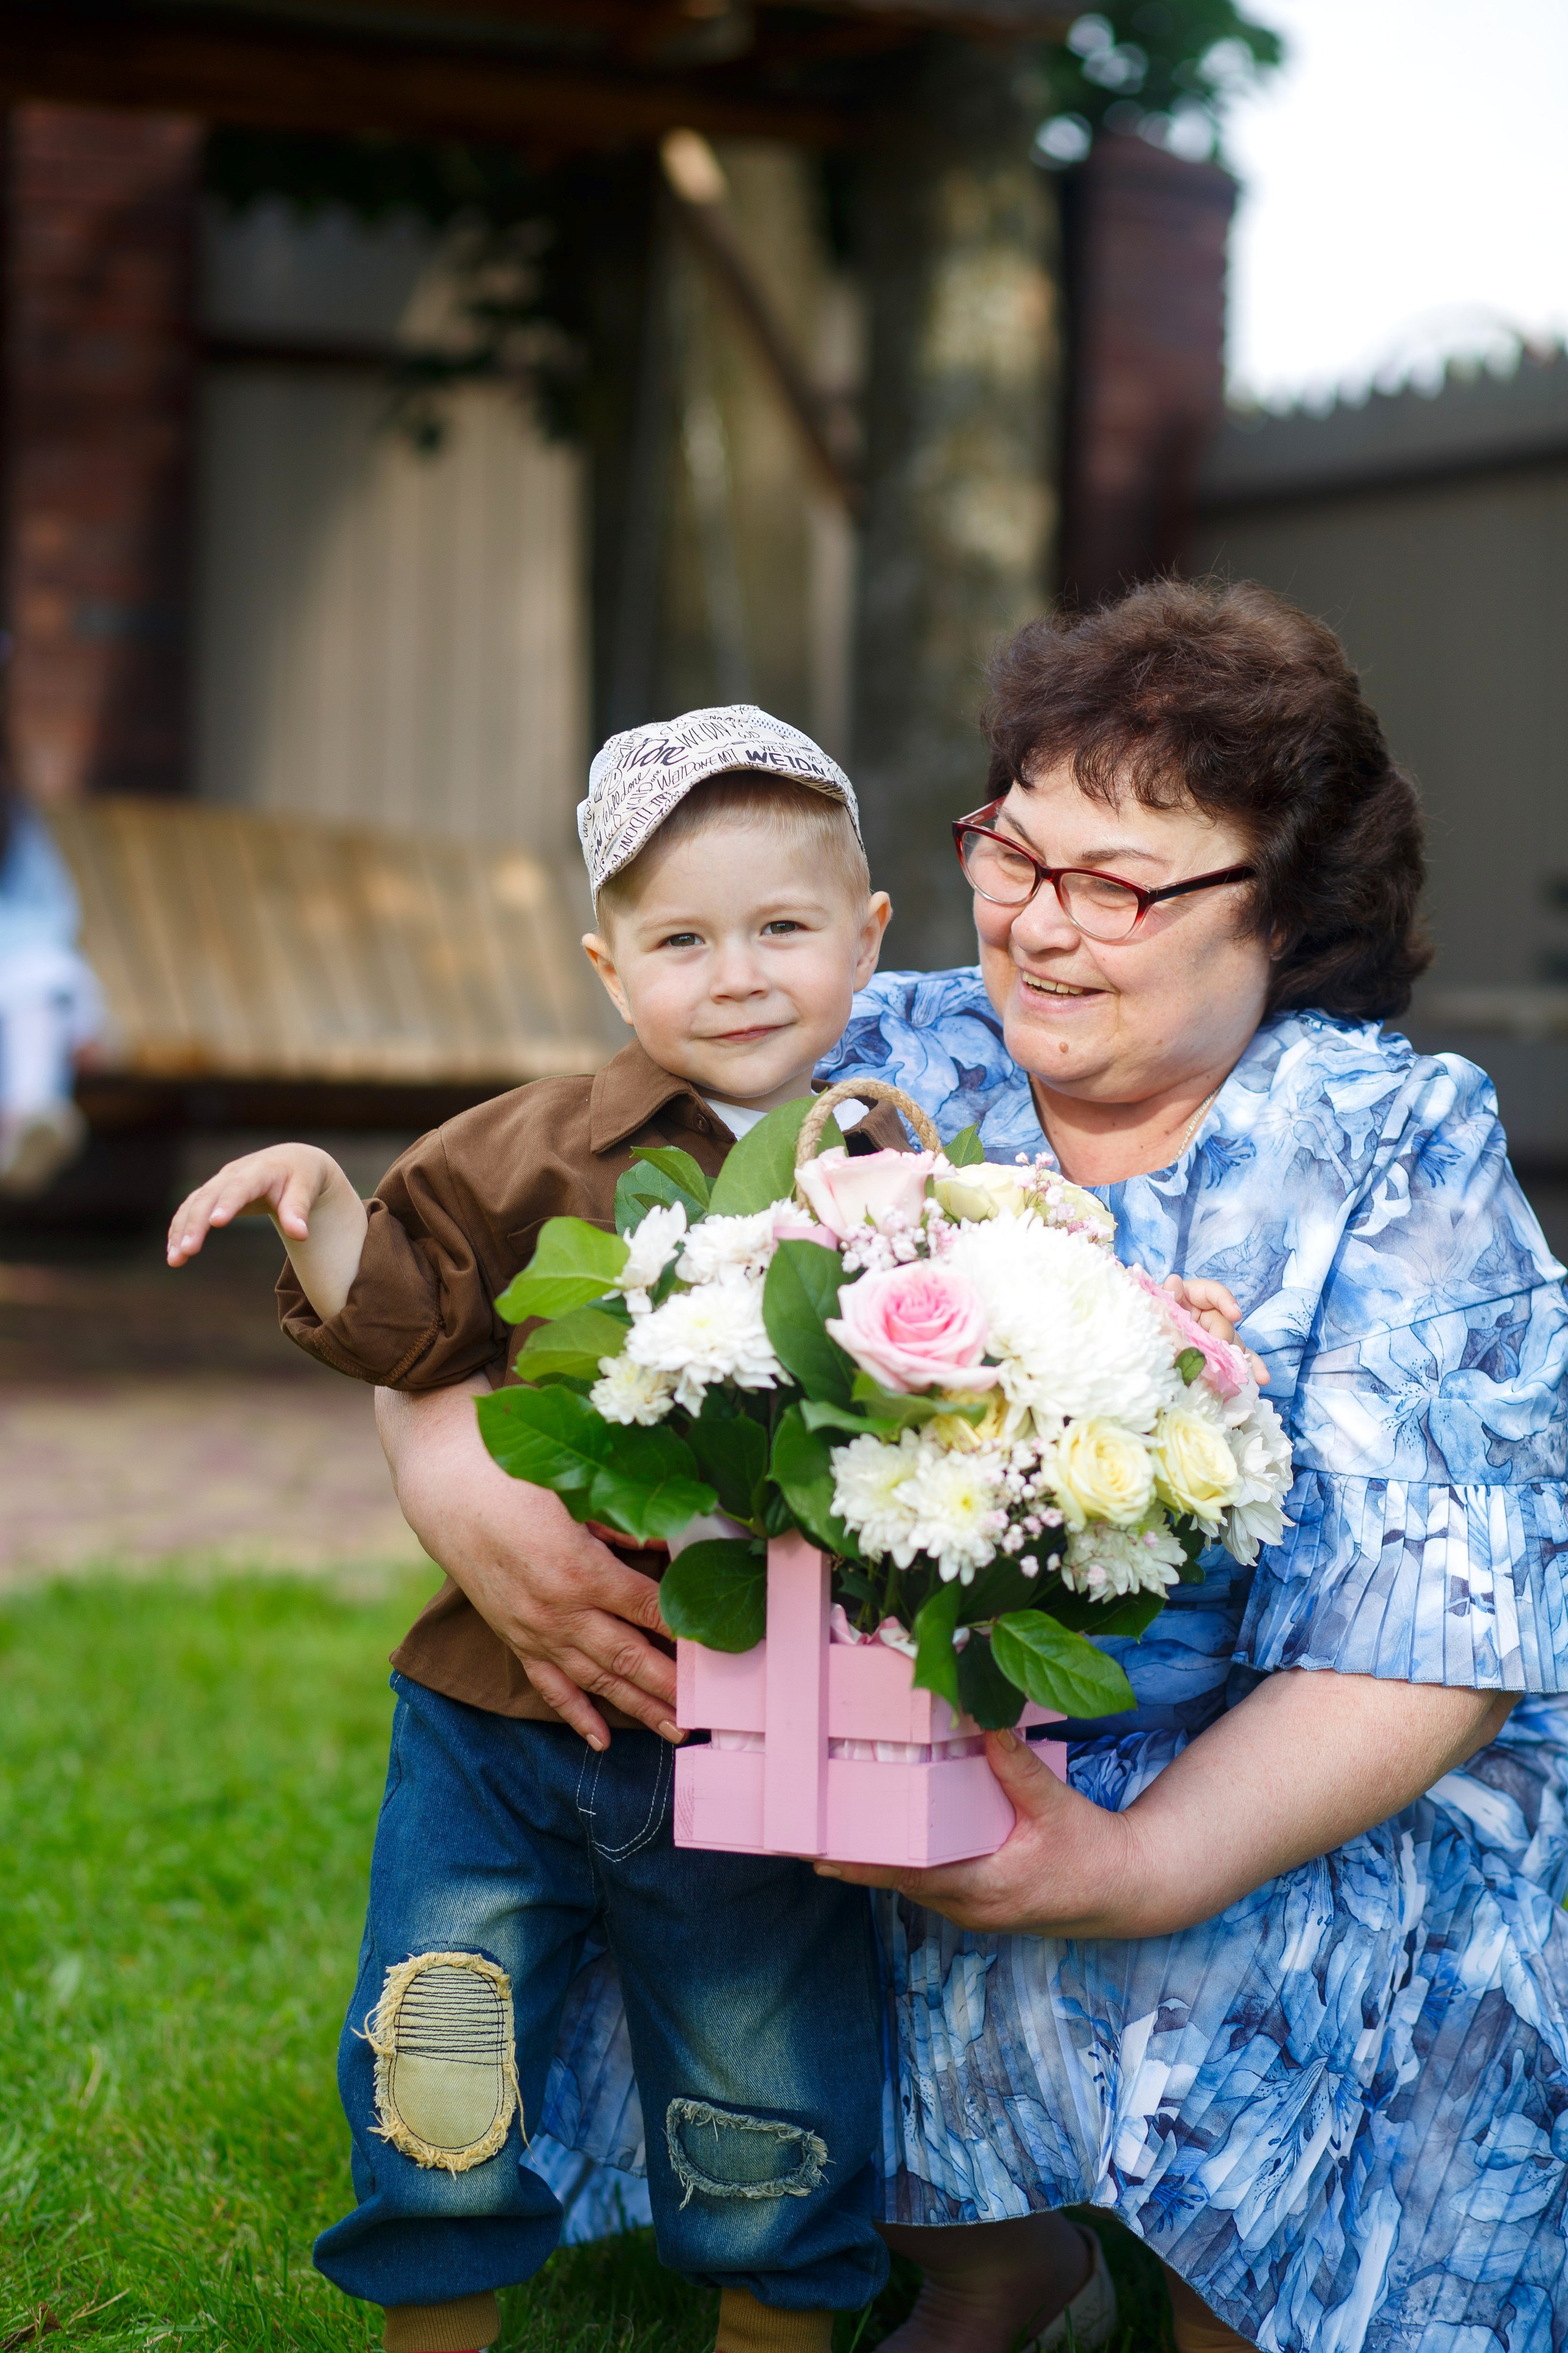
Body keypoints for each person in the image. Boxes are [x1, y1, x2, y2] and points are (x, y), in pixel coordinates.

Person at [377, 581, 1568, 2353]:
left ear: (1290, 904)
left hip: (1271, 1764)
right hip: (894, 1738)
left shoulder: (1394, 1147)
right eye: (1014, 855)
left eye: (1122, 886)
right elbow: (473, 1252)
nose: (1039, 927)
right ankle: (993, 2260)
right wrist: (446, 1470)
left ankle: (1223, 2263)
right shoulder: (871, 1050)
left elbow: (1442, 1640)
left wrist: (1138, 1866)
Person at [166, 708, 907, 2353]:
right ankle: (438, 2321)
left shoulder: (903, 1174)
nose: (736, 974)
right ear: (607, 963)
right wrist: (327, 1203)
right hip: (491, 1724)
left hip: (750, 1729)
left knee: (763, 2060)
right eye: (681, 939)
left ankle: (770, 2311)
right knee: (442, 2036)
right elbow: (404, 1330)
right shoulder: (528, 1151)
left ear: (865, 940)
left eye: (783, 928)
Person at [0, 763, 101, 1195]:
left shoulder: (23, 832)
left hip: (25, 981)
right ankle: (26, 1118)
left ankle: (27, 1120)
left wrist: (89, 1023)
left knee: (43, 981)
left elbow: (54, 921)